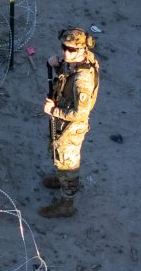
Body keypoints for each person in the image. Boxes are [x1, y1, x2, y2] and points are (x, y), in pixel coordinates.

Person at [39, 26, 100, 218]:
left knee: (68, 164)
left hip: (71, 128)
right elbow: (68, 78)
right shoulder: (80, 61)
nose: (66, 52)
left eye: (71, 49)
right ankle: (61, 179)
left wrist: (53, 110)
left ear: (82, 50)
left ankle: (67, 203)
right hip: (63, 121)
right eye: (64, 47)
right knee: (58, 156)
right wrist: (57, 66)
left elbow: (80, 114)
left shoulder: (83, 80)